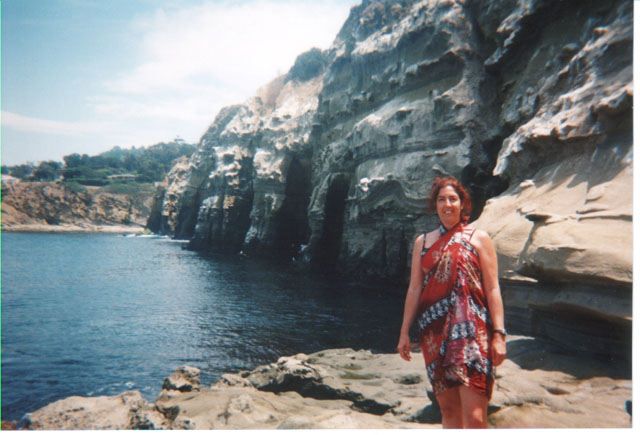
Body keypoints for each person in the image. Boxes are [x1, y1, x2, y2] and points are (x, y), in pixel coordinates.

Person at [397, 175, 506, 429]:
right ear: (434, 204)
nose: (448, 204)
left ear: (463, 204)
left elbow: (492, 288)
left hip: (473, 335)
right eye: (442, 199)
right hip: (433, 334)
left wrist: (499, 334)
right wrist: (404, 332)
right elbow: (414, 288)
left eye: (453, 199)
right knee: (448, 411)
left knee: (476, 418)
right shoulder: (422, 242)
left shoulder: (478, 238)